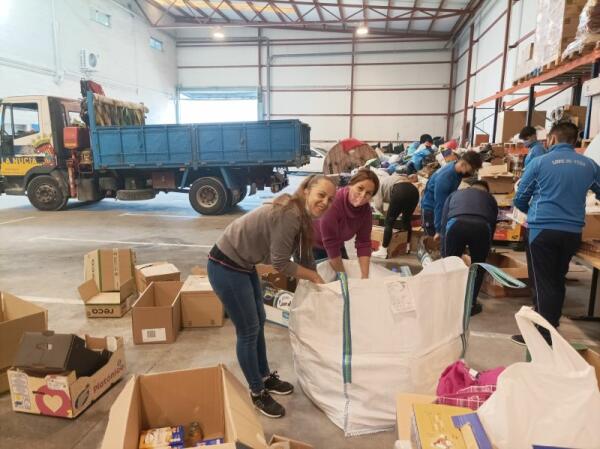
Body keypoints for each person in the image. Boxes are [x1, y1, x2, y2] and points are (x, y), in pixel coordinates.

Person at [207, 175, 337, 418]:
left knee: (259, 320)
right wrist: (313, 277)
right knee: (247, 330)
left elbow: (304, 256)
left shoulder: (303, 215)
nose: (325, 202)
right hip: (225, 265)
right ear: (307, 189)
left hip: (243, 265)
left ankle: (265, 377)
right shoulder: (291, 213)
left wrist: (318, 280)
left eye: (330, 200)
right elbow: (279, 263)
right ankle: (257, 392)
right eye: (321, 195)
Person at [512, 122, 600, 346]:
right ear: (575, 140)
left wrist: (532, 212)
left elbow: (520, 197)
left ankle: (542, 334)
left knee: (542, 283)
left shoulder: (541, 162)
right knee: (557, 279)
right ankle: (551, 325)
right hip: (572, 232)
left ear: (551, 139)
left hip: (542, 229)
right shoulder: (590, 165)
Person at [440, 180, 498, 315]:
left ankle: (448, 303)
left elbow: (444, 220)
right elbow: (493, 222)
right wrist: (487, 247)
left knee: (450, 264)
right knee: (478, 267)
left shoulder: (455, 194)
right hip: (481, 226)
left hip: (456, 223)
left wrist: (444, 252)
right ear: (485, 191)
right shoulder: (490, 198)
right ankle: (470, 305)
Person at [313, 168, 380, 278]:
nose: (362, 195)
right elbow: (330, 243)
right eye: (360, 188)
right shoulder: (334, 203)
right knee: (320, 285)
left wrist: (365, 277)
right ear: (350, 184)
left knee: (344, 281)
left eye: (368, 193)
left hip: (337, 244)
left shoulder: (366, 211)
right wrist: (343, 276)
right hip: (313, 245)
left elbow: (363, 242)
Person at [420, 151, 483, 239]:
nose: (472, 173)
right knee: (431, 242)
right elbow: (439, 205)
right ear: (463, 164)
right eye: (472, 169)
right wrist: (438, 230)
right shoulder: (445, 179)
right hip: (431, 210)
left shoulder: (456, 168)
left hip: (440, 208)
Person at [371, 171, 420, 258]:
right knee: (406, 219)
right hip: (414, 190)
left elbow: (378, 206)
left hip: (400, 190)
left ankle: (383, 250)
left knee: (389, 222)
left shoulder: (376, 187)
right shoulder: (386, 180)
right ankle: (407, 246)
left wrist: (386, 214)